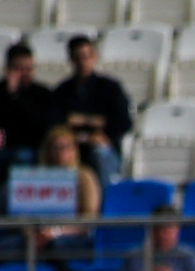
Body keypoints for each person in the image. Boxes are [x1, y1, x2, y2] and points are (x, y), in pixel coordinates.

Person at [0, 43, 61, 197]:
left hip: (27, 150)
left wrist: (15, 98)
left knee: (21, 158)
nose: (24, 73)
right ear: (8, 68)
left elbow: (42, 128)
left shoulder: (42, 94)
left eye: (28, 68)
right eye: (19, 69)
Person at [50, 35, 133, 187]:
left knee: (100, 155)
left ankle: (102, 206)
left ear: (94, 57)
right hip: (72, 148)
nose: (83, 61)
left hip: (105, 148)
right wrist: (90, 129)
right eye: (79, 57)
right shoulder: (62, 91)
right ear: (71, 59)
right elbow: (56, 123)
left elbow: (124, 122)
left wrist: (86, 122)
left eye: (87, 56)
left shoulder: (110, 88)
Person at [31, 125, 100, 256]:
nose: (60, 153)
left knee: (55, 245)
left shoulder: (85, 177)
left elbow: (89, 219)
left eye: (65, 147)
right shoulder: (37, 177)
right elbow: (25, 212)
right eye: (55, 148)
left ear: (74, 149)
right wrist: (32, 234)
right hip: (40, 232)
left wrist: (56, 232)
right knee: (6, 245)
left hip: (73, 235)